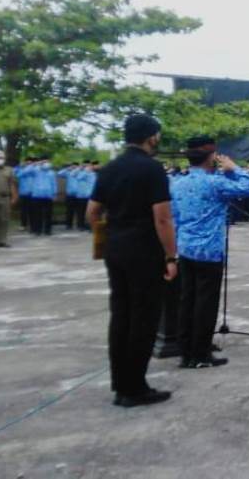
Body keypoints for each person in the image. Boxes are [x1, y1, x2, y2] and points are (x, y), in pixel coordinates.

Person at [86, 114, 178, 408]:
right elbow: (162, 218)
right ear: (151, 137)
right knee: (143, 318)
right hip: (144, 252)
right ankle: (135, 388)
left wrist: (111, 232)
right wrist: (171, 255)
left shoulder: (109, 169)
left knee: (121, 315)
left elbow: (92, 212)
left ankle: (120, 384)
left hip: (115, 250)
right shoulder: (151, 170)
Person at [170, 136, 249, 369]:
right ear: (211, 158)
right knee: (205, 304)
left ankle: (186, 351)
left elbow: (174, 218)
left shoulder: (176, 183)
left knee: (187, 301)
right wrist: (234, 168)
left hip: (185, 248)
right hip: (209, 250)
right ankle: (200, 355)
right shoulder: (214, 183)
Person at [31, 157, 57, 235]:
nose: (45, 163)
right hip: (37, 195)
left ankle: (47, 230)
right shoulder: (36, 170)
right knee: (37, 214)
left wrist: (54, 194)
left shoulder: (51, 172)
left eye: (47, 162)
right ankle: (38, 230)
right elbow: (26, 171)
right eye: (44, 162)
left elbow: (54, 184)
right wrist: (37, 164)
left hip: (48, 196)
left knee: (48, 214)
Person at [74, 161, 97, 231]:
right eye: (86, 166)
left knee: (89, 212)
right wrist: (84, 171)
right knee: (81, 211)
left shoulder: (94, 174)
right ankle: (80, 225)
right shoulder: (81, 173)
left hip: (90, 196)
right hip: (81, 196)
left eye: (89, 166)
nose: (88, 167)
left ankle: (89, 226)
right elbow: (78, 178)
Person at [15, 157, 36, 231]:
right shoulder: (22, 169)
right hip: (23, 193)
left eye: (30, 162)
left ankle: (32, 225)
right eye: (27, 162)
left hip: (32, 193)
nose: (28, 164)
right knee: (23, 210)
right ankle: (23, 225)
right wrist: (19, 166)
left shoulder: (34, 169)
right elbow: (15, 173)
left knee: (32, 210)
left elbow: (20, 174)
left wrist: (23, 170)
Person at [58, 163, 81, 230]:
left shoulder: (80, 173)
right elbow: (59, 173)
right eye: (73, 166)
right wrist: (66, 169)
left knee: (79, 211)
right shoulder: (68, 173)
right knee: (69, 211)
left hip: (79, 195)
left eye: (76, 166)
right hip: (70, 195)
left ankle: (79, 225)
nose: (74, 168)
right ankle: (68, 225)